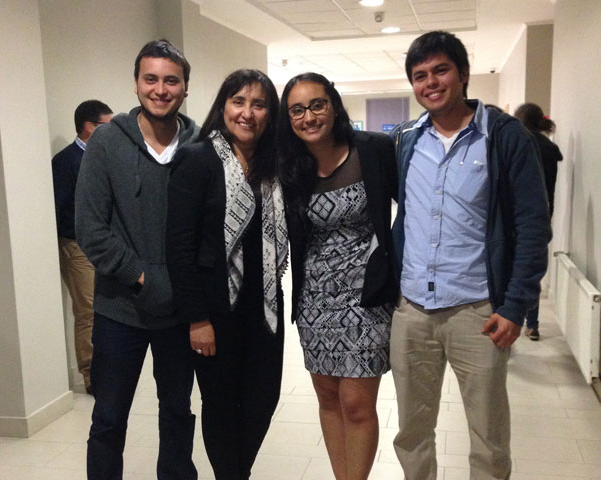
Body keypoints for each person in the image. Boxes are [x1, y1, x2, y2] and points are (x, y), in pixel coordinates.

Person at [389, 31, 551, 479]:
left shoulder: (504, 137)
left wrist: (515, 306)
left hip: (478, 312)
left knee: (488, 436)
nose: (430, 83)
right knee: (412, 431)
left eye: (440, 70)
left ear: (462, 73)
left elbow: (533, 226)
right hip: (413, 311)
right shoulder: (406, 140)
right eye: (420, 75)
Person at [75, 39, 199, 480]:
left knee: (177, 412)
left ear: (185, 88)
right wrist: (143, 277)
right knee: (108, 418)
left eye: (171, 80)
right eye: (151, 79)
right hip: (119, 309)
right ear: (136, 84)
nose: (160, 89)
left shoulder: (200, 146)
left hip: (180, 312)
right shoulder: (107, 143)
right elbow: (91, 229)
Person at [165, 69, 288, 480]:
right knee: (220, 405)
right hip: (215, 310)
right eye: (239, 102)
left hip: (265, 306)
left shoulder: (275, 165)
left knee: (262, 399)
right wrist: (196, 318)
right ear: (224, 107)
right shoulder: (197, 159)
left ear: (270, 113)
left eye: (259, 104)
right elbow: (179, 246)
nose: (247, 113)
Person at [278, 72, 399, 480]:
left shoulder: (373, 150)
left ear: (333, 105)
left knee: (357, 405)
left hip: (367, 296)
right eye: (297, 110)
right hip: (314, 299)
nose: (309, 117)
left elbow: (411, 208)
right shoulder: (289, 166)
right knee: (328, 399)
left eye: (317, 105)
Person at [52, 99, 112, 394]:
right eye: (106, 125)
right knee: (87, 312)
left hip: (104, 246)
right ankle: (92, 376)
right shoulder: (66, 162)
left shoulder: (103, 157)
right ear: (89, 127)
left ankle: (108, 369)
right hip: (77, 247)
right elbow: (58, 206)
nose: (112, 131)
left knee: (105, 310)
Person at [514, 102, 563, 341]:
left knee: (510, 270)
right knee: (531, 270)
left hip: (517, 216)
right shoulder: (549, 148)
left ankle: (509, 318)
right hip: (543, 216)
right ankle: (532, 325)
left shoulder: (519, 144)